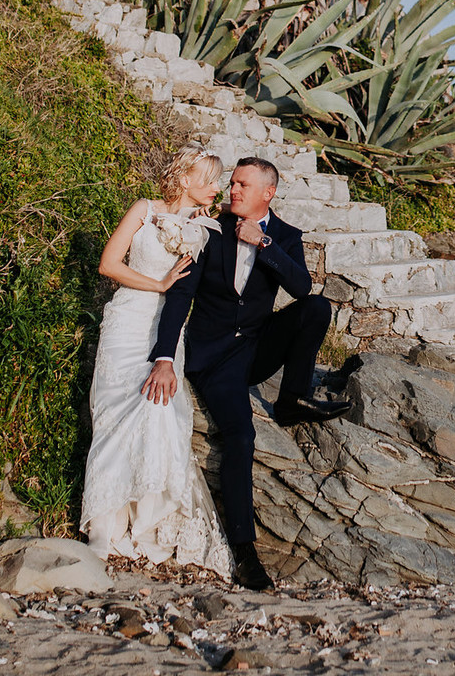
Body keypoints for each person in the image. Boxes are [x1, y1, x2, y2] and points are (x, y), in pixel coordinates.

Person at [142, 156, 350, 590]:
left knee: (315, 308)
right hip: (214, 358)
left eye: (241, 185)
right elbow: (180, 297)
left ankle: (291, 399)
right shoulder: (208, 228)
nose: (232, 190)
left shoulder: (286, 235)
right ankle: (246, 554)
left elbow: (301, 287)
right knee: (240, 437)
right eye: (232, 183)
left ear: (267, 193)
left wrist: (264, 244)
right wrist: (164, 357)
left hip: (257, 349)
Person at [79, 145, 233, 576]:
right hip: (127, 319)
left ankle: (149, 526)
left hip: (168, 331)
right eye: (209, 178)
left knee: (157, 411)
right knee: (114, 416)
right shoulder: (144, 209)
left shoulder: (207, 228)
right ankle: (105, 530)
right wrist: (159, 283)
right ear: (183, 178)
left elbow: (195, 290)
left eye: (219, 180)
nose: (216, 188)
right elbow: (108, 264)